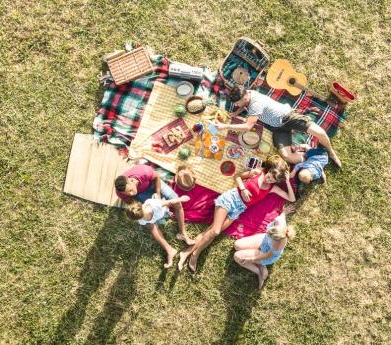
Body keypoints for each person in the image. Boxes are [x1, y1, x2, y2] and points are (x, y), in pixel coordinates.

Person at [178, 155, 296, 272]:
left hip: (238, 209)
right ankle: (195, 255)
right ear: (269, 170)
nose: (268, 179)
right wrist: (243, 189)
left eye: (272, 179)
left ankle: (186, 252)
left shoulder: (272, 188)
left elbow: (291, 198)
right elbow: (237, 176)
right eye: (270, 176)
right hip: (230, 198)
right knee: (215, 231)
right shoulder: (257, 172)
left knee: (210, 231)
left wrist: (287, 182)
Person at [212, 85, 342, 167]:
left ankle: (330, 152)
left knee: (319, 132)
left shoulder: (255, 104)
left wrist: (224, 126)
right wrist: (236, 112)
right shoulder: (248, 93)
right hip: (277, 127)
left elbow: (247, 126)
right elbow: (243, 105)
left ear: (245, 97)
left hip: (288, 117)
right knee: (286, 156)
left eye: (238, 103)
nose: (238, 105)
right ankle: (312, 158)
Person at [115, 164, 194, 245]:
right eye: (127, 193)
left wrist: (158, 196)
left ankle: (182, 233)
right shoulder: (120, 193)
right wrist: (145, 208)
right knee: (146, 221)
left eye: (130, 190)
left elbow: (157, 177)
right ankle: (169, 249)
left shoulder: (144, 171)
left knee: (177, 201)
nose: (131, 194)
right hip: (140, 194)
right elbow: (133, 203)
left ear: (131, 180)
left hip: (152, 183)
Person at [233, 205, 296, 289]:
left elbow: (266, 255)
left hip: (267, 254)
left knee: (237, 256)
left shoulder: (278, 244)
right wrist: (284, 212)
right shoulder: (278, 221)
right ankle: (261, 265)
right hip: (264, 240)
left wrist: (251, 259)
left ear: (277, 238)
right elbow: (282, 216)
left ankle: (258, 272)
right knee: (237, 245)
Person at [126, 195, 190, 268]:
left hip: (164, 211)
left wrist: (181, 198)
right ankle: (170, 250)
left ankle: (182, 234)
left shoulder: (154, 204)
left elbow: (170, 201)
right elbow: (148, 224)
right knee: (151, 228)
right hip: (158, 219)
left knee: (175, 204)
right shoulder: (141, 221)